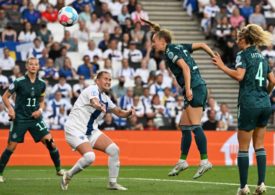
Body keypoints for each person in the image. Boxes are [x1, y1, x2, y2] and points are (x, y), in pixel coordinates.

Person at [141, 18, 215, 179]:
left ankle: (205, 161)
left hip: (194, 87)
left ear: (162, 41)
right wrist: (214, 56)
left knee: (195, 125)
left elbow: (186, 68)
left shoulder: (170, 51)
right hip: (198, 86)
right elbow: (202, 45)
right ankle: (182, 161)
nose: (153, 44)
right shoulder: (179, 46)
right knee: (184, 126)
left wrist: (188, 89)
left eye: (154, 41)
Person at [212, 24, 275, 195]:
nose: (236, 40)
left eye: (239, 38)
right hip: (264, 104)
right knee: (260, 146)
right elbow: (273, 81)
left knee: (243, 148)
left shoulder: (243, 55)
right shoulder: (262, 57)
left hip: (248, 104)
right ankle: (262, 184)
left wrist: (222, 66)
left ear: (245, 39)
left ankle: (243, 187)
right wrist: (264, 94)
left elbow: (239, 75)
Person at [60, 71, 135, 191]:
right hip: (75, 129)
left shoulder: (105, 98)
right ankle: (68, 174)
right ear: (97, 80)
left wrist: (129, 113)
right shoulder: (92, 89)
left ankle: (112, 183)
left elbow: (119, 112)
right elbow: (94, 101)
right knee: (90, 157)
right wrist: (97, 105)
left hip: (91, 131)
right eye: (105, 79)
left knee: (114, 150)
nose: (108, 82)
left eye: (110, 80)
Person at [0, 57, 64, 183]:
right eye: (31, 64)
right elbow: (5, 97)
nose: (33, 66)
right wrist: (10, 109)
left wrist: (39, 111)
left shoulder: (42, 84)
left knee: (51, 143)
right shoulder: (19, 82)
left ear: (38, 67)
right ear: (27, 66)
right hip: (20, 119)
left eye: (36, 64)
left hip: (35, 119)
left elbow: (42, 102)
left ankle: (59, 169)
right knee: (11, 146)